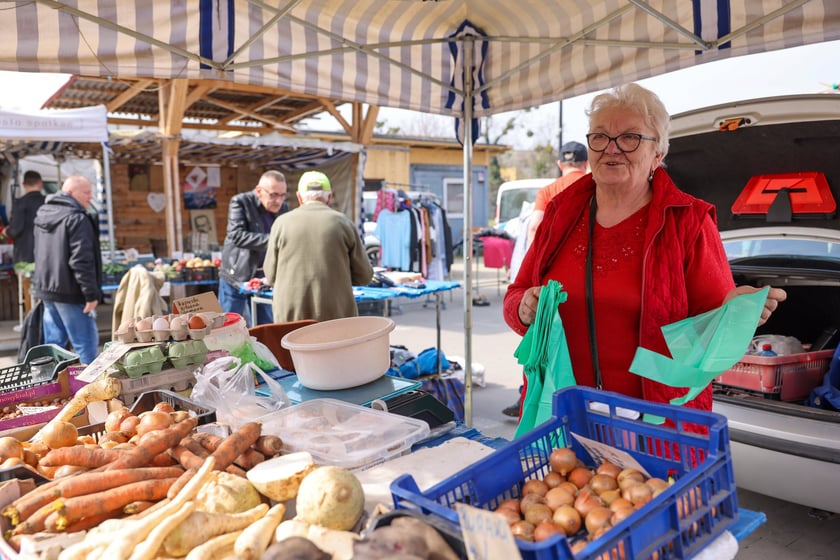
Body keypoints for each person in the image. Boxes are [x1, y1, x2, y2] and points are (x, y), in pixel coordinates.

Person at [503, 83, 786, 419]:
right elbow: (515, 298)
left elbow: (709, 340)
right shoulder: (560, 213)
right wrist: (524, 308)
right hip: (559, 413)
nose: (612, 149)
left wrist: (735, 314)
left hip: (655, 422)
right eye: (600, 137)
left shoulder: (688, 222)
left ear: (658, 154)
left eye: (630, 138)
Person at [264, 170, 374, 322]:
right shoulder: (343, 223)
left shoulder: (281, 223)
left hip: (290, 319)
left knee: (291, 346)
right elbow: (365, 276)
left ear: (299, 197)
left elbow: (270, 275)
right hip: (335, 318)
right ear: (329, 197)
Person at [31, 176, 102, 365]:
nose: (91, 196)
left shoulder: (43, 213)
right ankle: (90, 392)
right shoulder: (77, 218)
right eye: (86, 192)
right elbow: (81, 260)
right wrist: (91, 295)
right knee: (85, 345)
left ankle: (53, 390)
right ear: (70, 193)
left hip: (48, 290)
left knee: (54, 347)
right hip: (72, 292)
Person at [218, 170, 289, 326]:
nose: (278, 201)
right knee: (229, 326)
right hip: (236, 275)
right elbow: (236, 235)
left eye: (283, 195)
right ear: (259, 191)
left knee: (265, 326)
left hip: (264, 278)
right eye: (273, 195)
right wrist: (273, 240)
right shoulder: (240, 202)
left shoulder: (283, 208)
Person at [525, 142, 588, 247]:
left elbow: (534, 227)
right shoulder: (598, 189)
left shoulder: (547, 191)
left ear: (559, 164)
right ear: (586, 164)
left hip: (557, 257)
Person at [7, 170, 45, 265]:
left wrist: (6, 231)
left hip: (24, 255)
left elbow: (15, 230)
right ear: (41, 184)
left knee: (25, 279)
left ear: (23, 184)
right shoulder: (48, 202)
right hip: (45, 254)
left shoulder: (19, 203)